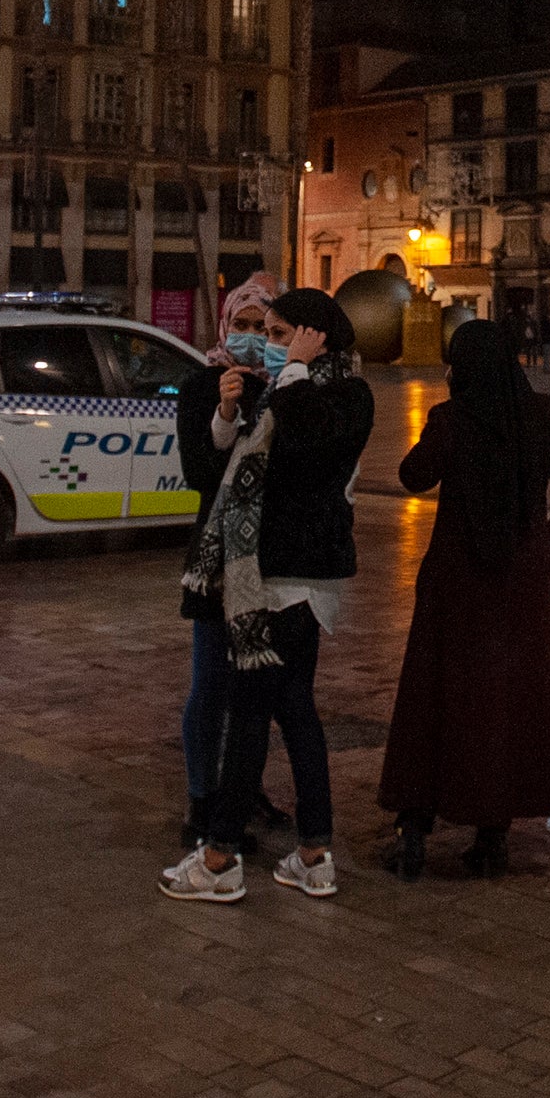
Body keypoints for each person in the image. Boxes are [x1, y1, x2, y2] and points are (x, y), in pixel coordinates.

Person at [162, 288, 374, 903]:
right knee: (294, 710)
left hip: (292, 576)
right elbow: (225, 466)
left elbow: (309, 451)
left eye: (282, 333)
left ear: (315, 337)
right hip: (271, 572)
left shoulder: (343, 393)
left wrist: (298, 370)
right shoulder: (284, 389)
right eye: (267, 332)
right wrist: (232, 412)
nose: (271, 345)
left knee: (254, 711)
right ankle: (314, 852)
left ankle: (220, 857)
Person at [378, 319, 550, 879]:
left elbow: (412, 476)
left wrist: (434, 434)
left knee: (438, 692)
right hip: (521, 578)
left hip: (457, 577)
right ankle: (492, 834)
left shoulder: (451, 419)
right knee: (508, 696)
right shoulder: (540, 415)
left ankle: (416, 823)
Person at [174, 277, 286, 842]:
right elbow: (199, 473)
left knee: (255, 689)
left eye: (260, 330)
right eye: (239, 327)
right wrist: (224, 412)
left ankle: (242, 788)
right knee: (211, 683)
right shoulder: (200, 386)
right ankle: (201, 799)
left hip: (269, 558)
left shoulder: (283, 389)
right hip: (217, 561)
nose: (247, 339)